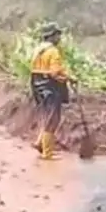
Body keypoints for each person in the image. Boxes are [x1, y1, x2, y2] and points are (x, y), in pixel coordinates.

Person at [30, 22, 73, 161]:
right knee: (53, 119)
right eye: (57, 34)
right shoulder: (53, 51)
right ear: (52, 36)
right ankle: (47, 153)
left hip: (37, 84)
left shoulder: (38, 49)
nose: (59, 37)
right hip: (50, 86)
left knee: (46, 116)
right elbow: (54, 73)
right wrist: (69, 78)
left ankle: (40, 143)